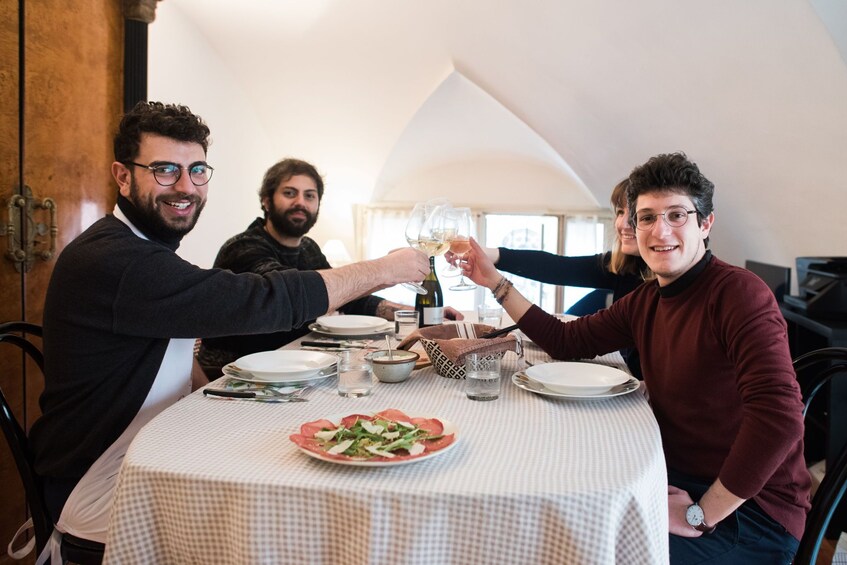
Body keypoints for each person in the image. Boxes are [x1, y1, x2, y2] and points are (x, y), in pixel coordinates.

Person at [27, 102, 430, 548]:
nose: (185, 186)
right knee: (302, 511)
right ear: (123, 176)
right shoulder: (115, 260)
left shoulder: (146, 252)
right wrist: (386, 268)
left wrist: (215, 396)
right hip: (98, 481)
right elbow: (260, 299)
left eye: (197, 170)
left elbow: (172, 354)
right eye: (165, 170)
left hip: (151, 443)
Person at [460, 152, 810, 563]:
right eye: (646, 217)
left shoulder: (739, 295)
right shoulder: (647, 299)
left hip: (750, 514)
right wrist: (495, 282)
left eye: (676, 215)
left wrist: (701, 514)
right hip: (672, 475)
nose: (660, 231)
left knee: (594, 552)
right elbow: (566, 341)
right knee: (554, 512)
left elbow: (780, 417)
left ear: (706, 223)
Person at [197, 158, 463, 376]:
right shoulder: (244, 248)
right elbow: (292, 293)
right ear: (266, 201)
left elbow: (349, 298)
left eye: (309, 196)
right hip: (235, 373)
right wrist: (384, 269)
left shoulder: (308, 247)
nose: (300, 202)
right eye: (290, 193)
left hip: (295, 364)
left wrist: (411, 313)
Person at [446, 179, 649, 378]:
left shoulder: (650, 293)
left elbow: (563, 341)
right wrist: (488, 255)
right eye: (620, 212)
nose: (622, 224)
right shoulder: (627, 267)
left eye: (637, 215)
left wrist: (495, 281)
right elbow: (557, 267)